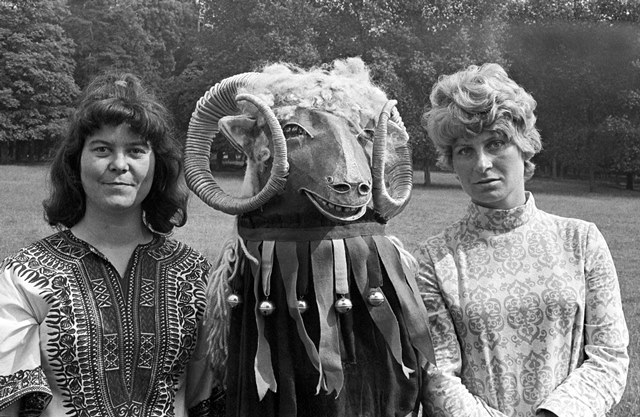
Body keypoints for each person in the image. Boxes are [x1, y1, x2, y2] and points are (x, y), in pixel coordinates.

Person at [0, 72, 220, 416]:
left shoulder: (196, 275)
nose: (120, 165)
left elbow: (203, 397)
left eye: (135, 150)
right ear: (76, 162)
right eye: (102, 149)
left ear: (155, 165)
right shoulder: (23, 275)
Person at [417, 63, 629, 417]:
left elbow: (609, 356)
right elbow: (439, 376)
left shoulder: (581, 240)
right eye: (465, 150)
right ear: (451, 162)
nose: (482, 163)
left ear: (524, 148)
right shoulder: (435, 258)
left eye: (495, 143)